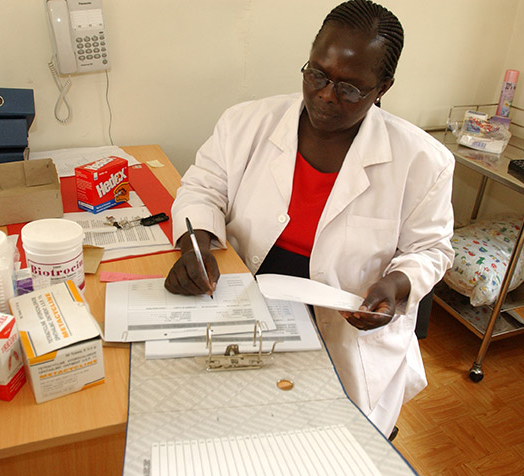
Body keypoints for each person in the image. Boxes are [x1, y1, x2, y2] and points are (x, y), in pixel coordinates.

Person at [164, 0, 454, 436]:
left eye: (350, 88)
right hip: (246, 299)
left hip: (344, 325)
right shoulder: (246, 122)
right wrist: (196, 245)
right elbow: (203, 187)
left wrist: (395, 286)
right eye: (317, 73)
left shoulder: (422, 161)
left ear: (383, 87)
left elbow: (430, 249)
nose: (326, 94)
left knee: (323, 442)